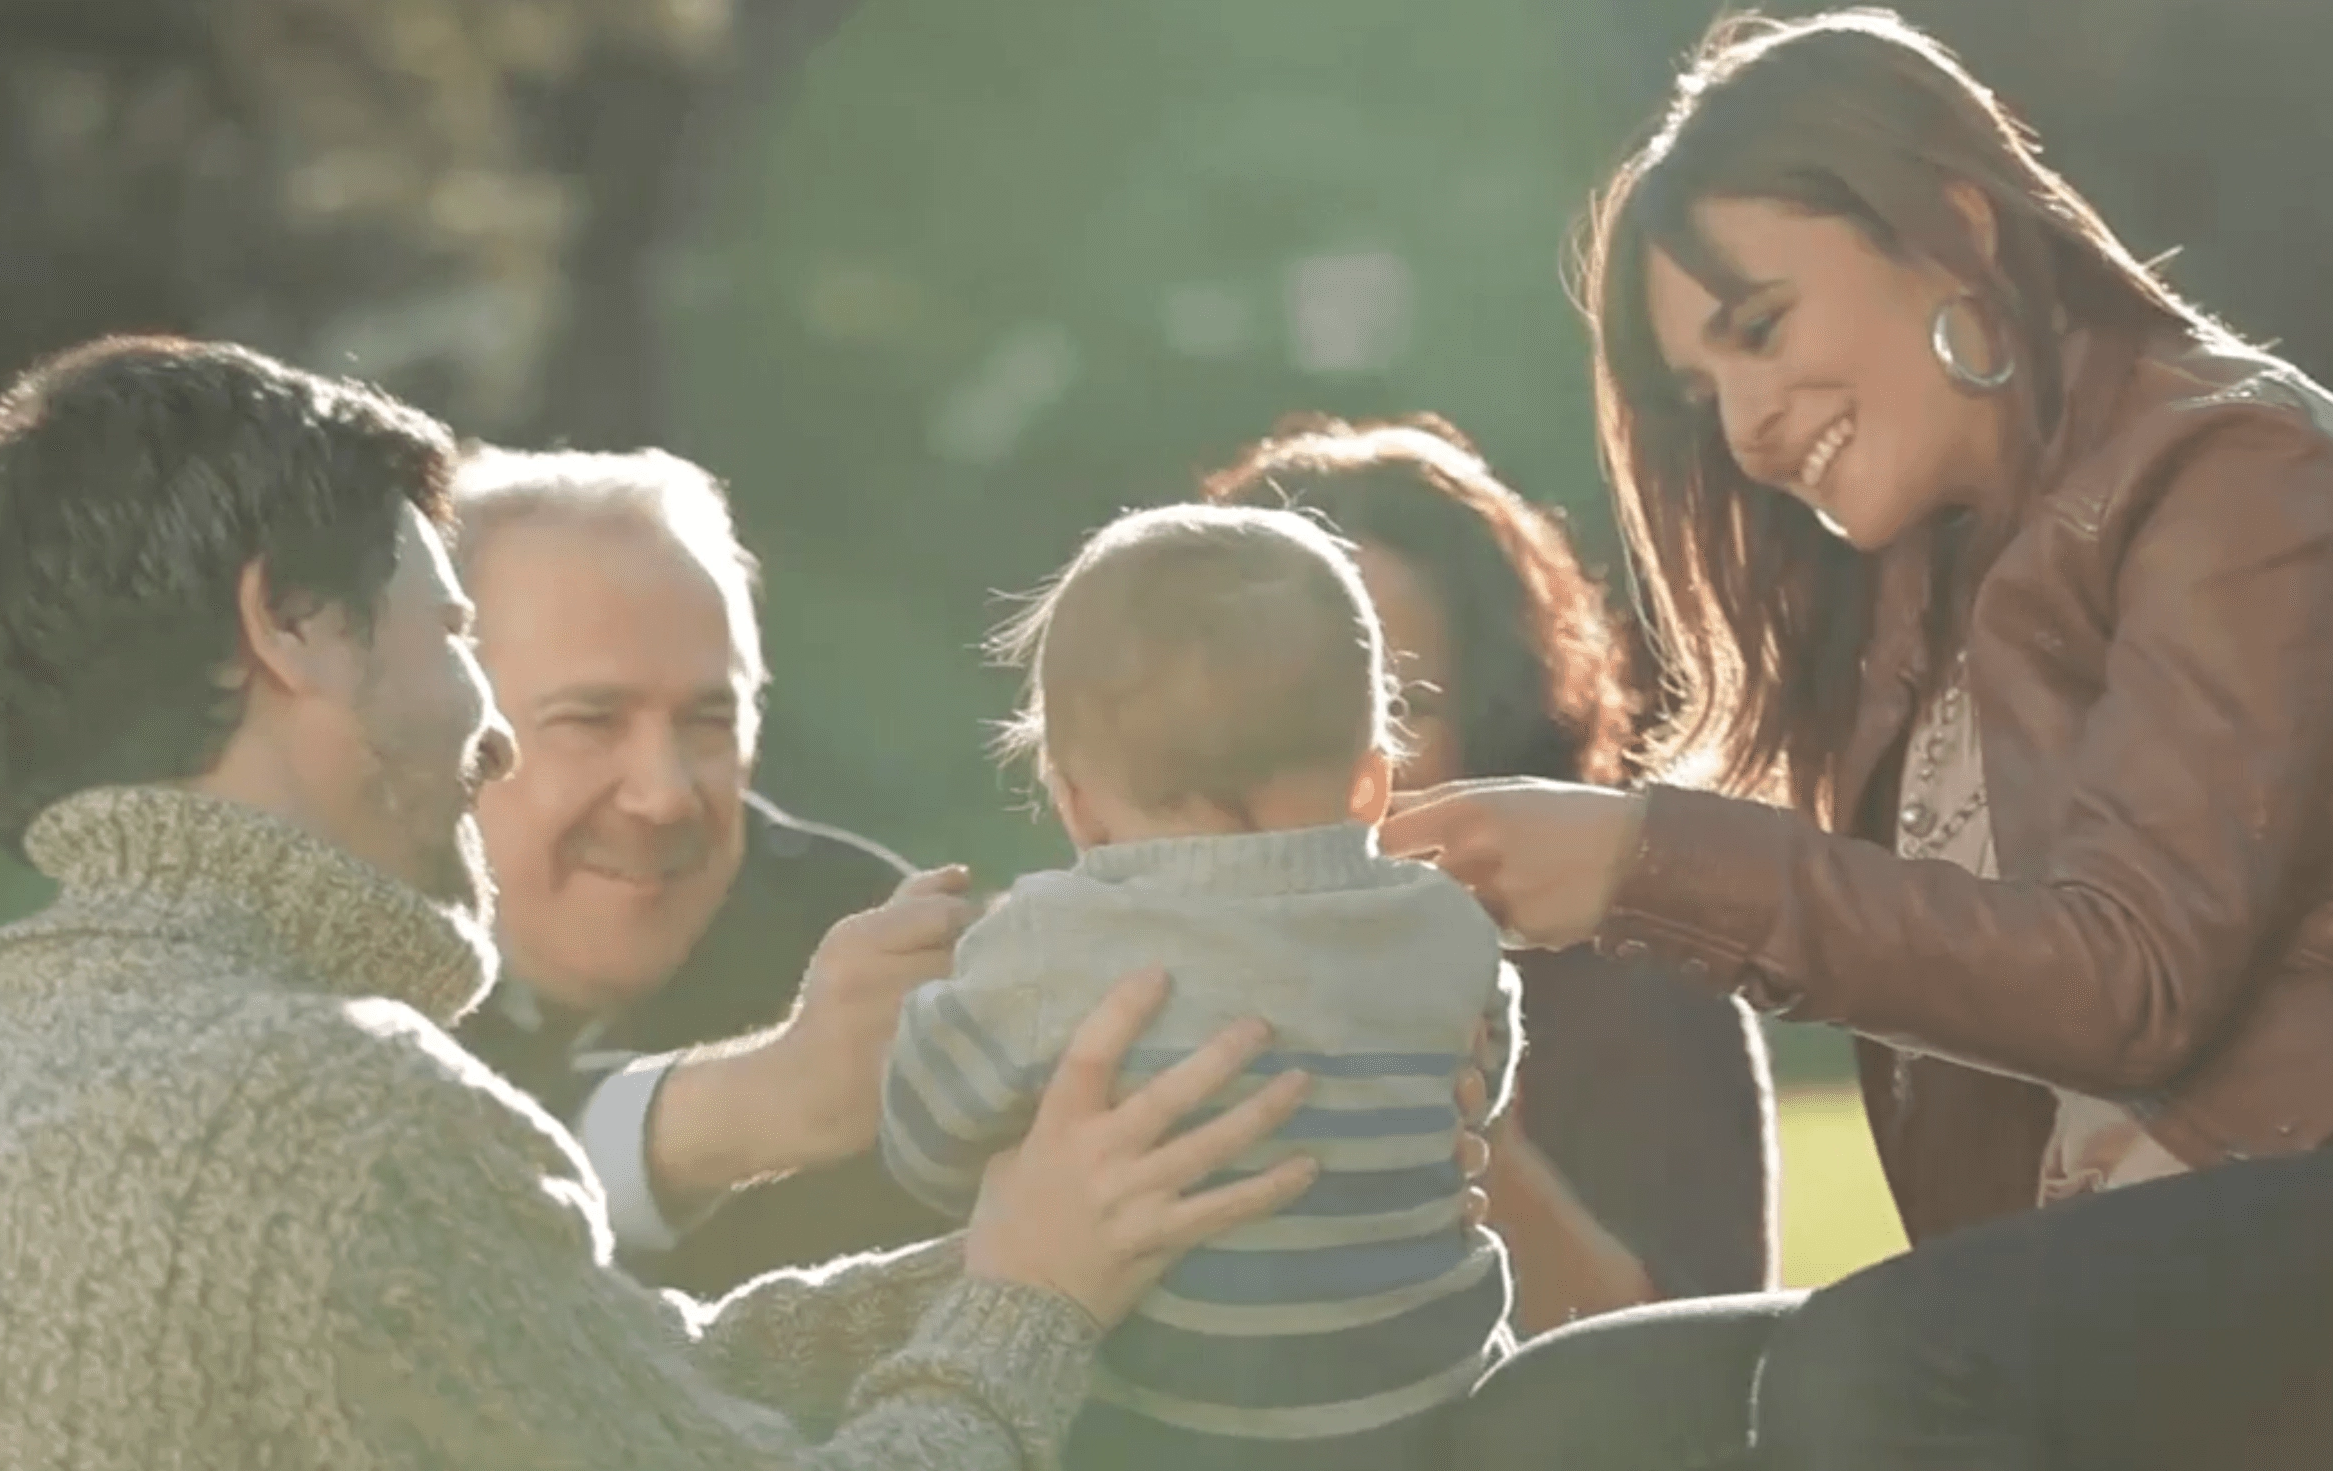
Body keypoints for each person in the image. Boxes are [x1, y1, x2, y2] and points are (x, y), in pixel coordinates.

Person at [0, 334, 1333, 1466]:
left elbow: (578, 1372)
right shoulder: (325, 1112)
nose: (490, 731)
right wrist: (1034, 1302)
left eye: (710, 716)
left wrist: (1017, 1253)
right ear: (291, 624)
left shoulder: (48, 1065)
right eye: (453, 629)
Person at [1400, 10, 2333, 1467]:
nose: (1747, 431)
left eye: (1760, 329)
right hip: (2091, 1281)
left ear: (1955, 228)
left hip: (2287, 1216)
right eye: (1705, 396)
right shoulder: (1911, 602)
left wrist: (1650, 863)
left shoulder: (2234, 471)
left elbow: (2133, 979)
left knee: (1875, 1364)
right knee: (1571, 1413)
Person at [881, 502, 1515, 1471]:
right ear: (1371, 786)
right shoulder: (1448, 925)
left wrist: (925, 1007)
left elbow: (923, 1145)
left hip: (1167, 1437)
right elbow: (1480, 1087)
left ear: (1076, 804)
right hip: (1431, 1418)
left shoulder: (1048, 941)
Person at [1204, 413, 1776, 1330]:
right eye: (1281, 711)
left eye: (1400, 709)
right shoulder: (1112, 973)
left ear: (1498, 724)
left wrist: (1478, 1147)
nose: (1338, 768)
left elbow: (1704, 1374)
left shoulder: (1644, 978)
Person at [447, 445, 952, 1295]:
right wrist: (745, 1105)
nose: (666, 795)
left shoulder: (867, 949)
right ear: (437, 722)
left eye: (709, 722)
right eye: (592, 720)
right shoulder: (307, 957)